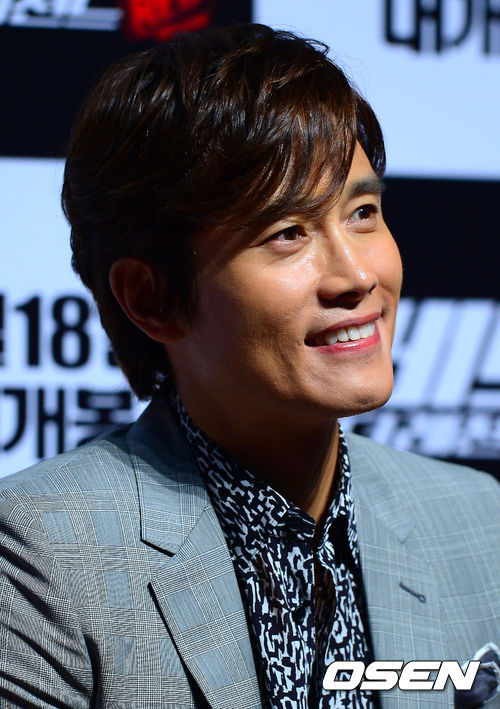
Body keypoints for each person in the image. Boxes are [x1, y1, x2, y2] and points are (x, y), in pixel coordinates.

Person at [0, 23, 498, 709]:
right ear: (151, 297)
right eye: (287, 232)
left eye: (362, 212)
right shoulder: (42, 556)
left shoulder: (479, 521)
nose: (357, 275)